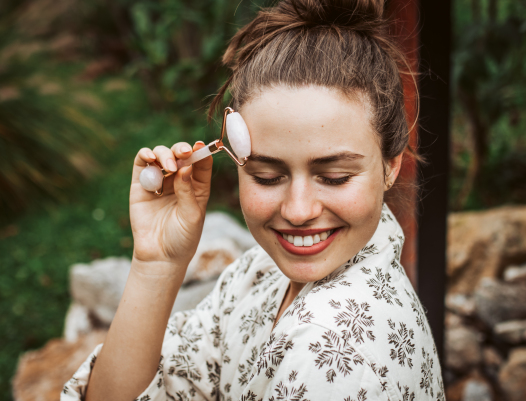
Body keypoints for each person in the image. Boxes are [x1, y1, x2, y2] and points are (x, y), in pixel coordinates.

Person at [62, 0, 445, 400]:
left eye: (334, 177)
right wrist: (156, 264)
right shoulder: (262, 273)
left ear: (390, 165)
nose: (298, 211)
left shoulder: (337, 358)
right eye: (267, 176)